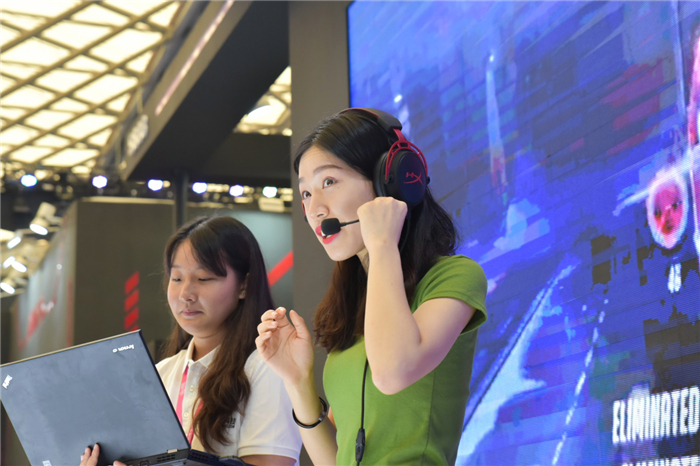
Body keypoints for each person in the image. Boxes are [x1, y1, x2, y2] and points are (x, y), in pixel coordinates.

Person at [255, 108, 488, 465]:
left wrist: (382, 244)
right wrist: (298, 382)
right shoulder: (356, 304)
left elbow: (393, 372)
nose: (314, 209)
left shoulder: (455, 277)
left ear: (389, 182)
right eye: (305, 194)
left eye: (328, 182)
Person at [80, 216, 301, 466]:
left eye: (203, 278)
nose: (186, 293)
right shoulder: (159, 375)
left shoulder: (267, 366)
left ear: (244, 285)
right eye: (176, 278)